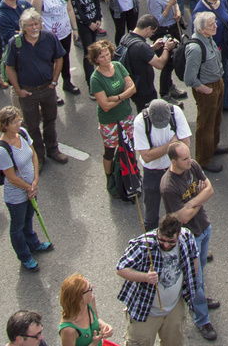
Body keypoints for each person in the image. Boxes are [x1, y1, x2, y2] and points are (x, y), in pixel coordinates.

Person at [158, 143, 219, 340]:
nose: (189, 160)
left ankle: (199, 297)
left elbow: (210, 189)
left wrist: (193, 202)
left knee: (200, 268)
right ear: (173, 161)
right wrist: (199, 198)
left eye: (189, 156)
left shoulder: (192, 166)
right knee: (194, 278)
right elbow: (182, 218)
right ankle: (202, 319)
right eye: (184, 159)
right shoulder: (169, 186)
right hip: (189, 237)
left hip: (204, 227)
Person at [113, 214, 204, 346]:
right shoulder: (143, 244)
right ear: (158, 231)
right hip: (146, 310)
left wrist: (191, 284)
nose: (166, 245)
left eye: (171, 242)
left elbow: (194, 258)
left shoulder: (187, 237)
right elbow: (121, 268)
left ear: (178, 234)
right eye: (162, 240)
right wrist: (145, 277)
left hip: (173, 307)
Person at [4, 10, 70, 164]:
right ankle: (38, 156)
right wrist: (18, 90)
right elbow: (10, 68)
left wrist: (54, 81)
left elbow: (59, 58)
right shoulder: (15, 43)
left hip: (47, 88)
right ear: (23, 27)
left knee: (50, 120)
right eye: (29, 25)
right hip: (28, 92)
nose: (34, 28)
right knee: (32, 125)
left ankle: (52, 149)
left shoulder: (49, 38)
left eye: (36, 24)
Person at [0, 106, 49, 271]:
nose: (19, 123)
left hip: (31, 188)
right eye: (14, 122)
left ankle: (34, 244)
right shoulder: (2, 150)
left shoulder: (23, 134)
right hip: (17, 195)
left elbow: (33, 155)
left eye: (18, 119)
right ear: (5, 125)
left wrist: (36, 180)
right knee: (17, 226)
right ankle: (24, 256)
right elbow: (11, 177)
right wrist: (29, 187)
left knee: (28, 219)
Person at [87, 40, 139, 196]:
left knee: (130, 146)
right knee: (109, 151)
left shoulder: (118, 66)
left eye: (107, 54)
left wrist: (116, 97)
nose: (106, 58)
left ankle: (133, 172)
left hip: (126, 115)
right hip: (109, 121)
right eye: (101, 57)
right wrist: (124, 94)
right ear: (95, 60)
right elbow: (105, 106)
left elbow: (133, 88)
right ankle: (110, 179)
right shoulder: (95, 79)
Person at [133, 100, 193, 229]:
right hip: (152, 173)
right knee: (151, 217)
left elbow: (185, 146)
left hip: (175, 172)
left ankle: (179, 244)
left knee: (179, 214)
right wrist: (171, 144)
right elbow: (147, 157)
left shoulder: (176, 112)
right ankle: (152, 245)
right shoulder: (140, 122)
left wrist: (156, 150)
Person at [181, 10, 228, 170]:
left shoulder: (209, 38)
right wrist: (205, 89)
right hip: (207, 88)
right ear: (201, 29)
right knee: (205, 124)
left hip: (217, 83)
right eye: (211, 25)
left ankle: (213, 147)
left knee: (216, 118)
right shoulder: (195, 48)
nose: (216, 26)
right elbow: (189, 79)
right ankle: (204, 159)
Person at [57, 273, 116, 346]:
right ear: (80, 298)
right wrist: (93, 344)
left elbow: (96, 319)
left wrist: (105, 326)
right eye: (89, 288)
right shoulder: (68, 330)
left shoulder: (90, 300)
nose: (93, 287)